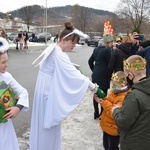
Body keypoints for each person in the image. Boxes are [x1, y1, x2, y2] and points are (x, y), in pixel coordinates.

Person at [29, 21, 99, 150]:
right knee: (48, 128)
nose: (74, 46)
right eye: (72, 42)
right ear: (64, 39)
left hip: (43, 90)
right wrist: (92, 86)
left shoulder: (53, 48)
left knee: (42, 125)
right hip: (47, 94)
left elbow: (66, 69)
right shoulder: (59, 54)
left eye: (75, 43)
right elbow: (74, 74)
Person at [112, 55, 150, 150]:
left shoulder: (134, 96)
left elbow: (124, 122)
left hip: (134, 144)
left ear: (131, 75)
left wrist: (115, 110)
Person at [0, 37, 29, 150]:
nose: (6, 65)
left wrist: (18, 107)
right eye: (3, 62)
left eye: (7, 61)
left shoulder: (6, 77)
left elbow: (23, 92)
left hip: (4, 127)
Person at [94, 71, 130, 150]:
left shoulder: (124, 98)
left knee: (112, 147)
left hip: (114, 129)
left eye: (114, 85)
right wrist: (102, 99)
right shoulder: (114, 91)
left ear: (122, 85)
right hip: (107, 125)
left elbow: (114, 112)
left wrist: (104, 103)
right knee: (106, 145)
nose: (112, 87)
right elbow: (109, 102)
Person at [88, 34, 114, 119]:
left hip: (96, 75)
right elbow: (110, 63)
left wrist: (94, 70)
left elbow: (90, 61)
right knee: (103, 95)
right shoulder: (107, 51)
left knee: (96, 93)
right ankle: (102, 114)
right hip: (104, 76)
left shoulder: (96, 49)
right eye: (111, 42)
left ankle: (96, 112)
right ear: (108, 42)